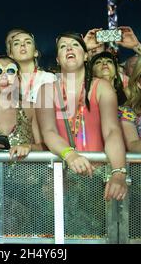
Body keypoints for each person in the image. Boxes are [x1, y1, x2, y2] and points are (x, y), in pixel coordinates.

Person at [36, 32, 128, 201]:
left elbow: (112, 131)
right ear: (58, 59)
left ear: (86, 55)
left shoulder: (102, 87)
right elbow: (48, 131)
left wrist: (118, 172)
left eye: (75, 45)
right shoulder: (46, 90)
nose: (69, 48)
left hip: (98, 176)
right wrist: (70, 155)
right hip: (63, 175)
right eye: (63, 46)